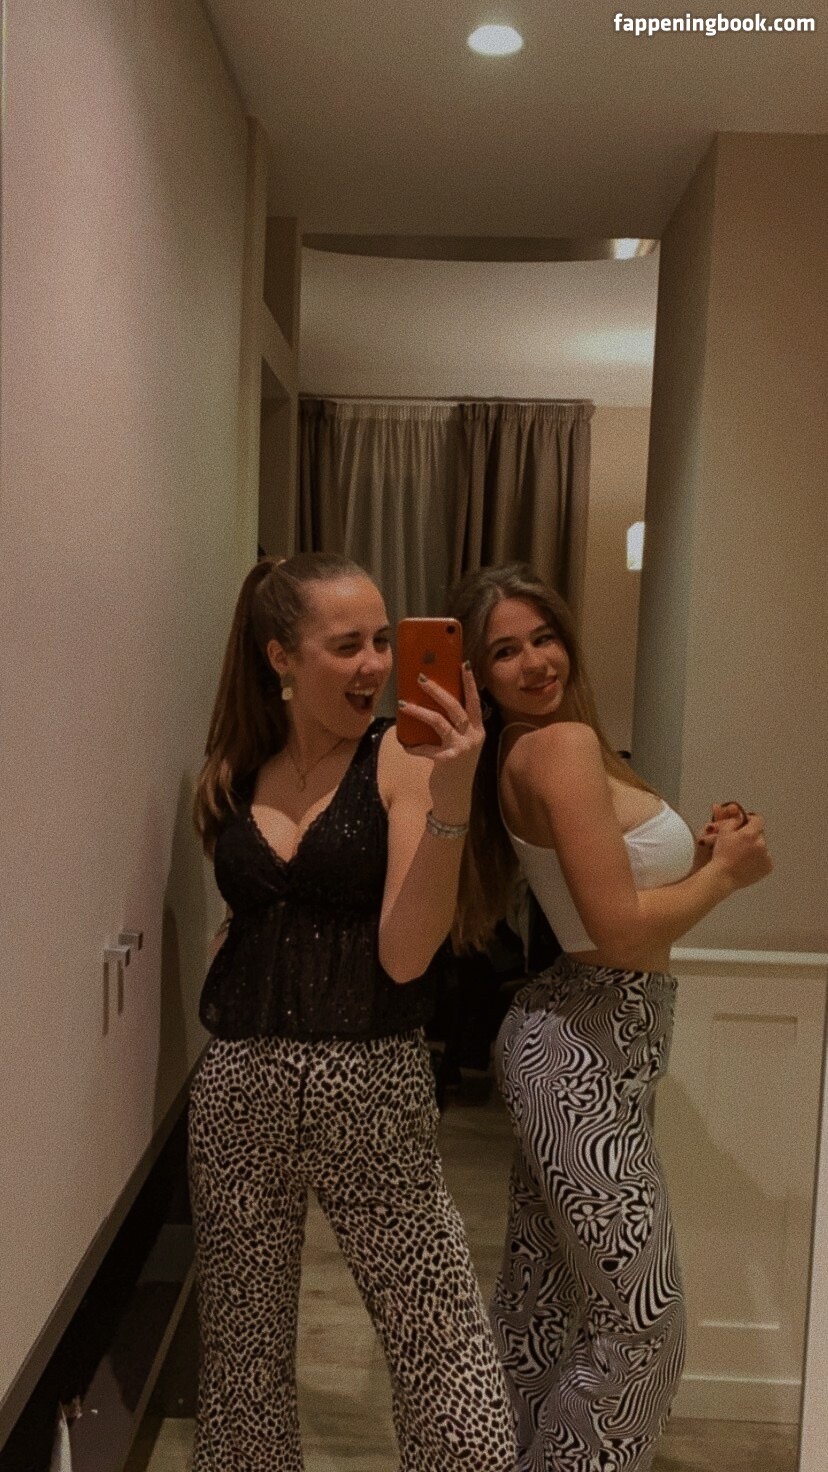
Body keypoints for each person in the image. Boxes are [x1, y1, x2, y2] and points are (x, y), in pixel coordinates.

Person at [189, 553, 517, 1472]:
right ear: (280, 657)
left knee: (442, 1346)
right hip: (238, 1089)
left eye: (382, 639)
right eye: (347, 645)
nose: (376, 664)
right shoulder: (235, 770)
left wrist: (453, 796)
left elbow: (406, 953)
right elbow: (245, 921)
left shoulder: (402, 757)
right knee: (242, 1365)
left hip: (370, 1084)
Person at [448, 563, 772, 1472]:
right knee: (644, 1326)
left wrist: (696, 860)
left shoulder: (556, 745)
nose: (534, 662)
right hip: (582, 1047)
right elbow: (618, 932)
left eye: (543, 637)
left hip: (596, 1038)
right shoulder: (557, 746)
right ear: (477, 675)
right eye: (504, 652)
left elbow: (619, 902)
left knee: (545, 1308)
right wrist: (724, 876)